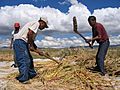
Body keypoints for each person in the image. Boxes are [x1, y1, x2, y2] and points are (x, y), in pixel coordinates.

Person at [13, 17, 48, 83]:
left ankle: (32, 75)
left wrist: (38, 50)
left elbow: (31, 40)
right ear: (42, 22)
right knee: (24, 59)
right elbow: (29, 34)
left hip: (23, 43)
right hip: (20, 42)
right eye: (44, 26)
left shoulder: (35, 27)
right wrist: (31, 46)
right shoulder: (36, 24)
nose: (44, 28)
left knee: (29, 59)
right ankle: (23, 78)